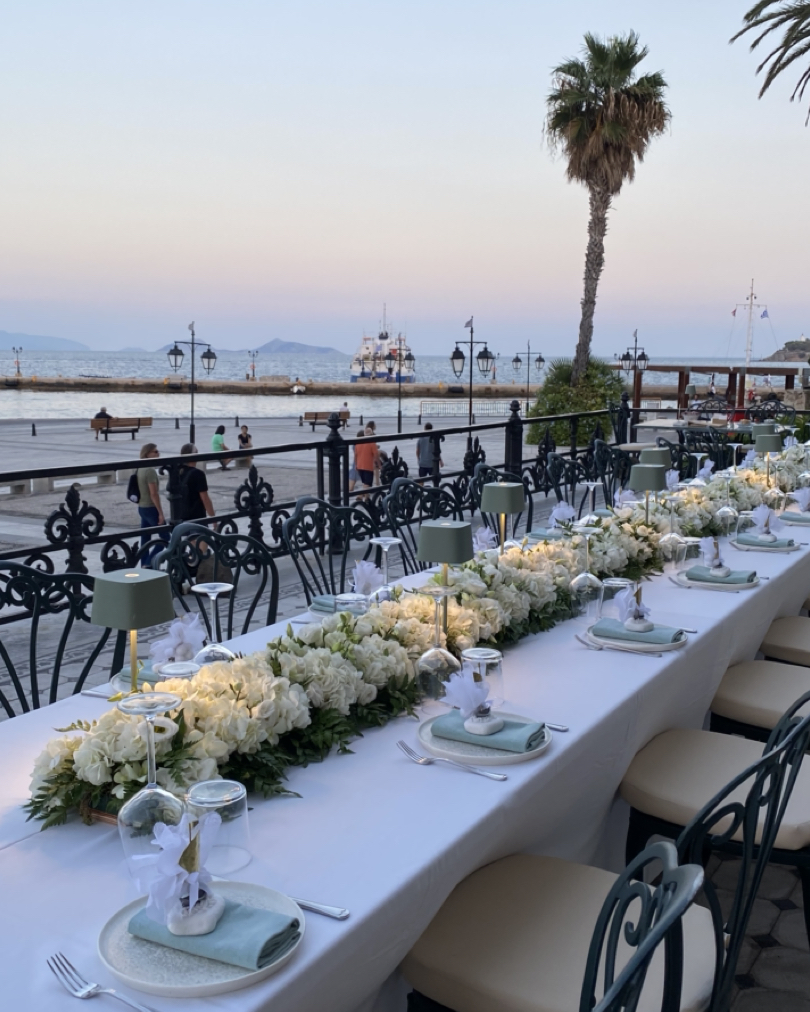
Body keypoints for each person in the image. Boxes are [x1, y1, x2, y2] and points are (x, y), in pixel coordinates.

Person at [134, 443, 169, 566]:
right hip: (150, 507)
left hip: (141, 507)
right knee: (165, 538)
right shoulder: (150, 471)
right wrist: (160, 513)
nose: (158, 453)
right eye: (155, 451)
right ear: (147, 453)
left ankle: (144, 564)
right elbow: (154, 493)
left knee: (145, 539)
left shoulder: (139, 467)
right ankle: (150, 563)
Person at [179, 443, 215, 521]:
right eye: (196, 452)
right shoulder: (198, 474)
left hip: (182, 515)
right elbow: (205, 498)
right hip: (196, 516)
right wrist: (213, 517)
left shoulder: (179, 472)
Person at [355, 427, 380, 493]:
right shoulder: (372, 443)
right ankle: (366, 499)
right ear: (372, 434)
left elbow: (355, 456)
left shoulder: (358, 443)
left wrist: (356, 465)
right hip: (368, 466)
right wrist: (379, 465)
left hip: (360, 466)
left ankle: (366, 498)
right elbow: (376, 455)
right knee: (367, 484)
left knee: (365, 483)